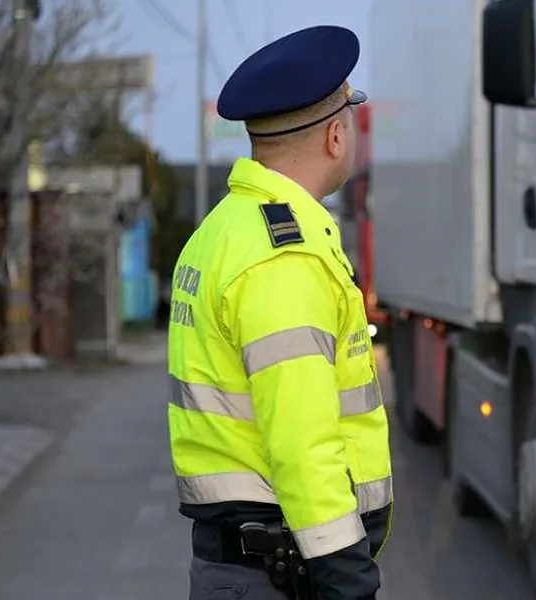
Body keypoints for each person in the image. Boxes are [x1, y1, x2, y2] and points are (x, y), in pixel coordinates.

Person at [166, 24, 393, 600]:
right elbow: (301, 439)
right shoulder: (282, 256)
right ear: (337, 136)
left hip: (244, 570)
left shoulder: (220, 231)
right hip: (279, 575)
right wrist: (348, 577)